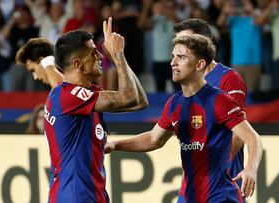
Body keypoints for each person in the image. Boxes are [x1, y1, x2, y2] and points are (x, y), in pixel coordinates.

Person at [105, 34, 263, 202]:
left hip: (220, 197)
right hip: (190, 196)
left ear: (200, 64)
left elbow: (253, 138)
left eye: (181, 57)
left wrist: (250, 169)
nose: (173, 62)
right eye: (173, 56)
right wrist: (115, 145)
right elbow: (153, 139)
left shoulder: (219, 100)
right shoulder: (175, 103)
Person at [44, 17, 148, 202]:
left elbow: (139, 101)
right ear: (77, 64)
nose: (101, 56)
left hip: (92, 195)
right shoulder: (68, 96)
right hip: (75, 196)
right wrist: (117, 55)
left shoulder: (86, 94)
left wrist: (119, 57)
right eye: (93, 53)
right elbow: (129, 97)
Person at [173, 18, 248, 188]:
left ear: (204, 43)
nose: (179, 49)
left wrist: (213, 169)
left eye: (186, 42)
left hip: (223, 180)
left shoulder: (229, 78)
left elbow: (239, 133)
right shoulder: (188, 81)